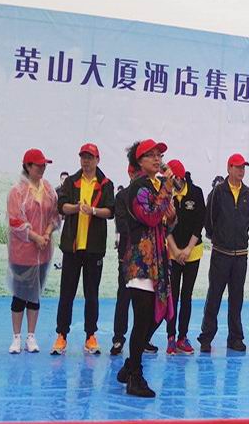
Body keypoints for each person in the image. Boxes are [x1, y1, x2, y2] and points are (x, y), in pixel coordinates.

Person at [116, 139, 176, 397]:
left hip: (157, 261)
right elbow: (150, 217)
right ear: (139, 161)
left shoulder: (155, 186)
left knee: (157, 315)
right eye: (151, 155)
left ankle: (130, 365)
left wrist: (171, 217)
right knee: (143, 319)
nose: (157, 159)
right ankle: (135, 376)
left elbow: (162, 222)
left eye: (159, 155)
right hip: (141, 262)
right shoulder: (138, 187)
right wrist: (168, 188)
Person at [51, 143, 115, 356]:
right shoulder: (71, 181)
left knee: (92, 294)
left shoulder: (105, 184)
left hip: (94, 248)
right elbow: (62, 206)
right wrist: (77, 208)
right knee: (66, 294)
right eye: (83, 157)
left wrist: (93, 210)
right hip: (72, 247)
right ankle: (61, 335)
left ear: (97, 159)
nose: (86, 161)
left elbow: (110, 211)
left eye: (90, 157)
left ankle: (91, 335)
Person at [198, 153, 249, 353]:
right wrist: (218, 238)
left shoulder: (248, 193)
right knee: (214, 296)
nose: (241, 171)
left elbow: (248, 220)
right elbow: (209, 220)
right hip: (221, 253)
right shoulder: (218, 192)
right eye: (237, 167)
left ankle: (235, 338)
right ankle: (206, 337)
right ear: (229, 168)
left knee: (236, 298)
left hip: (240, 255)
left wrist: (239, 237)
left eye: (243, 167)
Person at [6, 149, 60, 354]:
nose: (42, 168)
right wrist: (35, 237)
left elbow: (54, 216)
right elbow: (15, 222)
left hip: (43, 252)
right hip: (22, 253)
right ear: (28, 166)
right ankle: (16, 337)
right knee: (20, 295)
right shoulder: (17, 191)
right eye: (38, 165)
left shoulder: (48, 189)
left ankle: (31, 335)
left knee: (35, 295)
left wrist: (46, 234)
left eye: (44, 165)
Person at [152, 160, 206, 355]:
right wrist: (174, 250)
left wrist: (188, 249)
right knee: (172, 296)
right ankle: (171, 337)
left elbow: (199, 224)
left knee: (186, 295)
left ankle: (183, 337)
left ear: (181, 177)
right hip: (173, 253)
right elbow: (162, 225)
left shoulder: (196, 193)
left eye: (173, 179)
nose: (171, 183)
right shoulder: (165, 195)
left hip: (192, 252)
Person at [111, 164, 136, 356]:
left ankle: (144, 339)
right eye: (136, 172)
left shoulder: (150, 195)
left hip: (148, 257)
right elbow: (121, 224)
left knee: (145, 300)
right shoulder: (122, 196)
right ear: (130, 173)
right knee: (124, 297)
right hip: (127, 254)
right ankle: (118, 338)